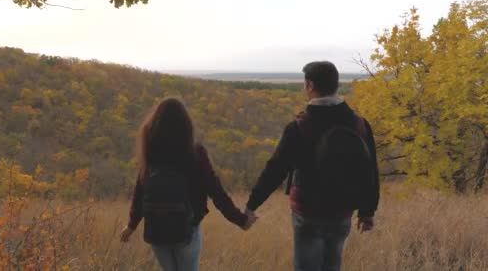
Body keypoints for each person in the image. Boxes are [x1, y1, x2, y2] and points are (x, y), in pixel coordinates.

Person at [245, 61, 380, 271]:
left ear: (310, 85)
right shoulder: (359, 124)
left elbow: (275, 170)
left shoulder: (299, 126)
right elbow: (370, 169)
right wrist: (367, 211)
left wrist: (252, 205)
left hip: (307, 210)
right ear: (335, 85)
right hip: (342, 209)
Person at [120, 98, 256, 271]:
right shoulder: (195, 153)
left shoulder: (151, 152)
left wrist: (131, 225)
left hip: (156, 230)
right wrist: (241, 220)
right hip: (186, 229)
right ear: (186, 125)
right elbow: (216, 193)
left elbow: (141, 190)